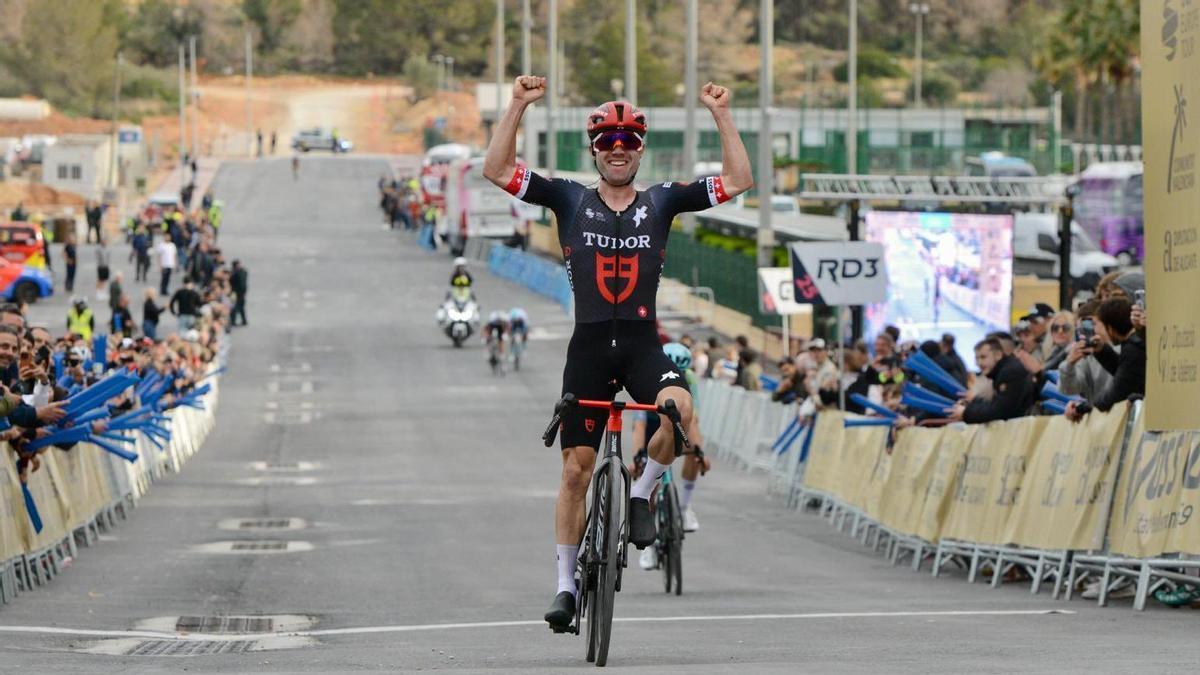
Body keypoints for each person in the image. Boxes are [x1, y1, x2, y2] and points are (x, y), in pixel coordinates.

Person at [484, 75, 753, 628]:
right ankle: (565, 588)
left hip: (640, 344)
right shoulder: (567, 197)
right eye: (608, 142)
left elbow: (740, 179)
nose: (618, 149)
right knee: (575, 473)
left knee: (677, 408)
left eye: (628, 142)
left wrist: (721, 113)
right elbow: (496, 170)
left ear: (639, 152)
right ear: (595, 151)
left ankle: (642, 497)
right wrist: (516, 104)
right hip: (587, 350)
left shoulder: (663, 200)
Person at [633, 342, 710, 570]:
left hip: (680, 420)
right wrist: (638, 455)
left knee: (694, 455)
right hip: (652, 422)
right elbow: (639, 424)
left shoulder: (690, 379)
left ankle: (684, 508)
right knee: (649, 478)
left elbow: (693, 420)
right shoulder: (651, 375)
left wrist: (699, 451)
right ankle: (647, 544)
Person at [1066, 297, 1145, 417]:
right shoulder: (1133, 345)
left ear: (1110, 328)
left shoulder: (1133, 349)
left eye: (1097, 324)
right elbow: (1122, 370)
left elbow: (1113, 395)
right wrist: (1102, 350)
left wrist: (1081, 408)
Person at [947, 337, 1035, 424]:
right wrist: (974, 401)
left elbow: (1000, 411)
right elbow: (996, 405)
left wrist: (966, 413)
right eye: (977, 359)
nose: (979, 363)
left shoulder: (1010, 372)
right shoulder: (1003, 371)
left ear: (998, 355)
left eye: (983, 357)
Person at [230, 260, 248, 327]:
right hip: (241, 292)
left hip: (237, 292)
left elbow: (241, 284)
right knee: (241, 307)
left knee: (235, 306)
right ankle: (243, 320)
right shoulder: (243, 271)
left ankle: (234, 321)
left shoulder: (237, 273)